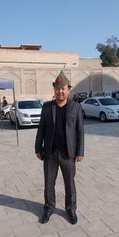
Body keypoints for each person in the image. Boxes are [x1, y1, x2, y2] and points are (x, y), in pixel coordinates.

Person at [35, 71, 84, 224]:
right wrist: (38, 148)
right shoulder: (47, 107)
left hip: (68, 154)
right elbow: (41, 128)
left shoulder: (76, 107)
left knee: (70, 183)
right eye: (57, 88)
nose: (60, 91)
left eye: (63, 88)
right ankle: (48, 209)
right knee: (49, 183)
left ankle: (71, 210)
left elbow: (80, 130)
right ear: (54, 89)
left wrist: (80, 151)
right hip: (50, 153)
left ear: (68, 89)